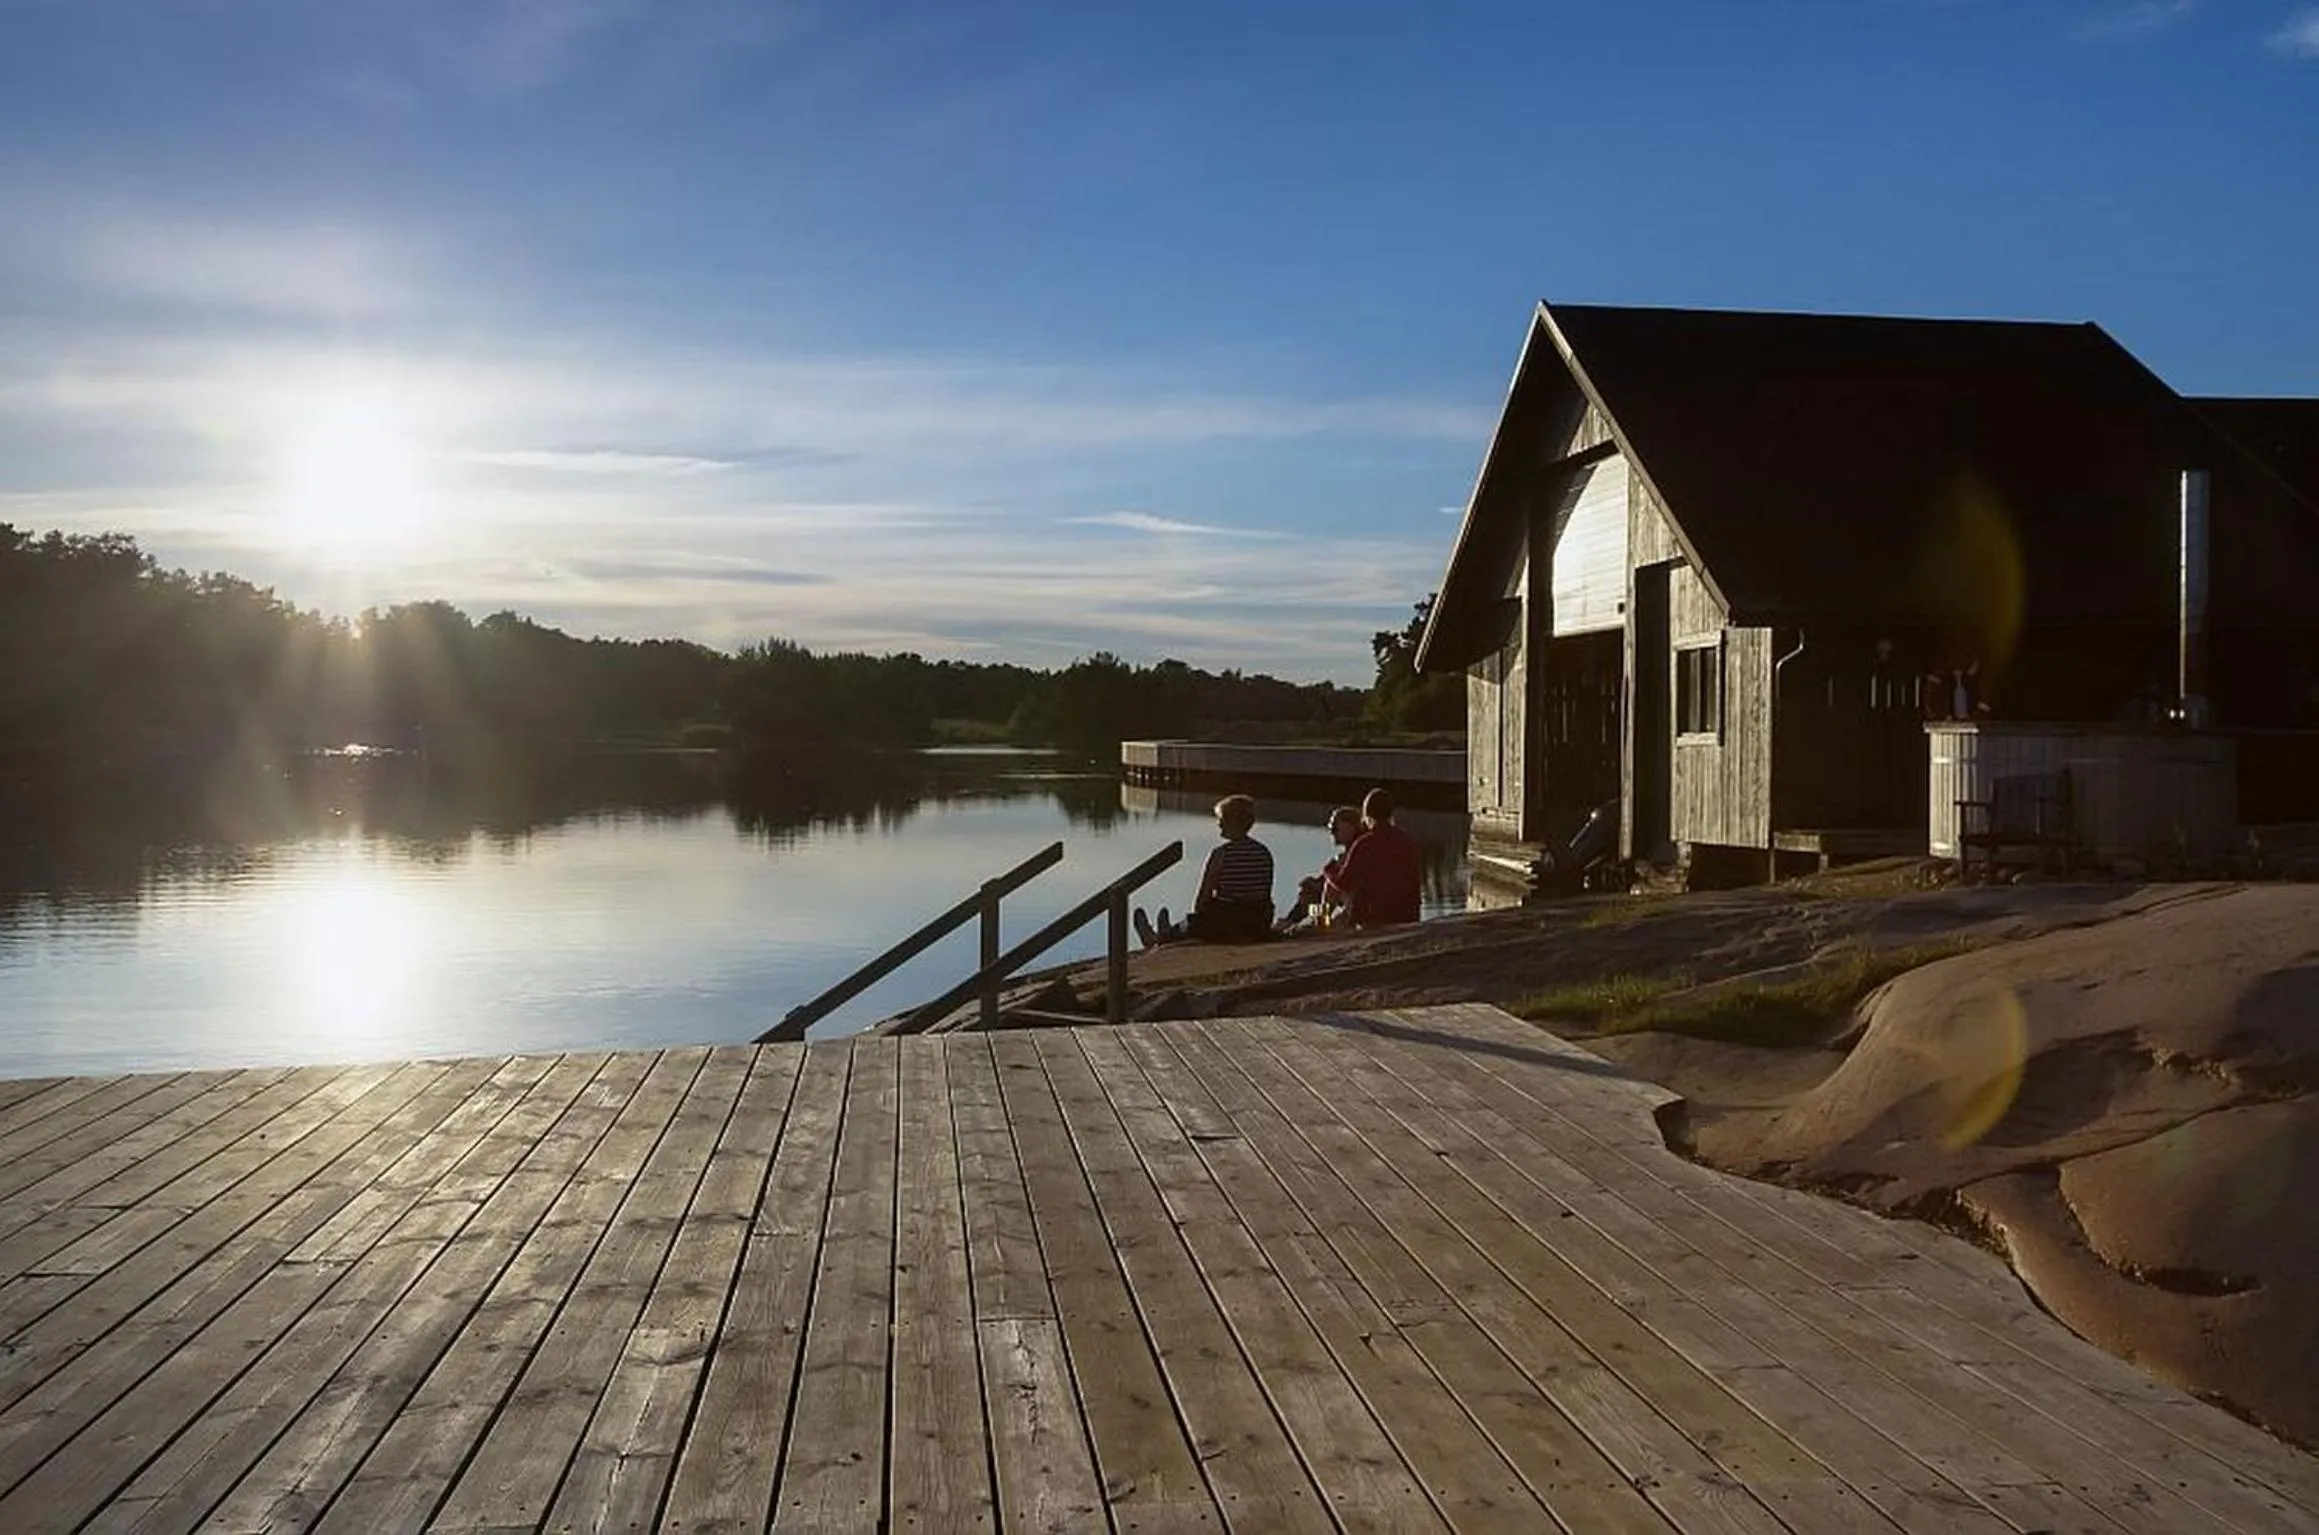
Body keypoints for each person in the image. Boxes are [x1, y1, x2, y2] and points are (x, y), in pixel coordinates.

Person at [1134, 793, 1275, 946]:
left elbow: (1204, 895)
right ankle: (1167, 932)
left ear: (1229, 822)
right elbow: (1264, 892)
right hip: (1258, 921)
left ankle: (1158, 938)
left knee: (1196, 921)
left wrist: (1199, 915)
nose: (1218, 824)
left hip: (1229, 922)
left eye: (1220, 819)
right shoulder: (1264, 852)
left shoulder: (1221, 854)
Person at [1325, 787, 1422, 930]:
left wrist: (1329, 869)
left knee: (1334, 884)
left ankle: (1323, 923)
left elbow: (1344, 883)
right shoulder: (1407, 840)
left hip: (1377, 918)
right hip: (1409, 914)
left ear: (1367, 815)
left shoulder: (1365, 844)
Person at [1274, 805, 1362, 933]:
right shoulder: (1350, 851)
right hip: (1350, 896)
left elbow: (1341, 880)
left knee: (1318, 888)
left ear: (1350, 827)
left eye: (1335, 827)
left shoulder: (1358, 849)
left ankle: (1310, 922)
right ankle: (1308, 920)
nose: (1332, 832)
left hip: (1358, 902)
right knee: (1314, 888)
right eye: (1330, 828)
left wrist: (1326, 873)